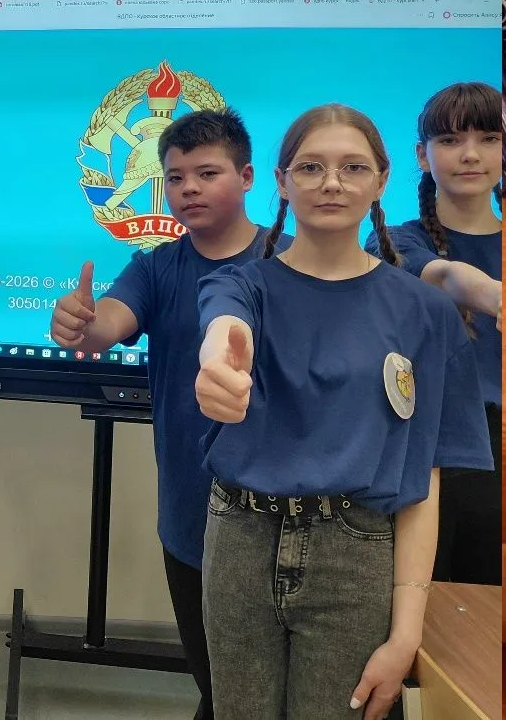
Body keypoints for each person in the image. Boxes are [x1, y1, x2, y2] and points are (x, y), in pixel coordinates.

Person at [194, 103, 493, 720]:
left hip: (356, 554)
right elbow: (224, 322)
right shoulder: (244, 286)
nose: (331, 182)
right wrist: (219, 358)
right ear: (281, 181)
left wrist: (406, 634)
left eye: (353, 167)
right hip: (240, 542)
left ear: (381, 180)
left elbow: (424, 481)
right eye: (311, 167)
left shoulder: (426, 314)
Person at [50, 107, 286, 720]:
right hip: (190, 513)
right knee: (219, 686)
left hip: (285, 517)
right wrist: (78, 324)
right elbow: (107, 324)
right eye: (175, 177)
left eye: (207, 174)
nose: (188, 190)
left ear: (247, 177)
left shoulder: (290, 259)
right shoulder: (156, 266)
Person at [364, 81, 501, 586]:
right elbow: (443, 277)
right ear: (422, 155)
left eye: (489, 138)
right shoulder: (392, 240)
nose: (470, 154)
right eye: (450, 140)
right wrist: (494, 295)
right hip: (421, 453)